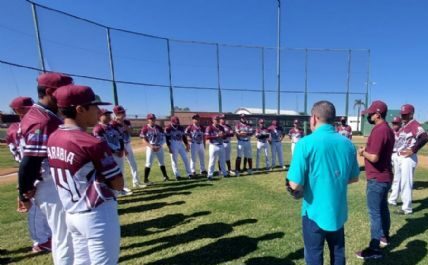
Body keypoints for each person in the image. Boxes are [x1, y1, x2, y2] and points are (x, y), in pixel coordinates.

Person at [47, 84, 123, 265]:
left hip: (71, 213)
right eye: (94, 106)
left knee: (81, 262)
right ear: (80, 109)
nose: (98, 110)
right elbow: (118, 183)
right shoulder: (91, 142)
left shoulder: (53, 137)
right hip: (96, 212)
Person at [287, 100, 360, 265]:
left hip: (314, 212)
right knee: (338, 252)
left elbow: (294, 185)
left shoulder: (305, 143)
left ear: (314, 118)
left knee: (313, 254)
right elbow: (354, 177)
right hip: (338, 210)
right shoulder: (348, 144)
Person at [18, 72, 74, 264]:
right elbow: (29, 161)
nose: (69, 95)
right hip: (49, 184)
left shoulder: (46, 115)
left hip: (53, 181)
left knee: (66, 234)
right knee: (64, 236)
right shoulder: (43, 119)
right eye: (65, 91)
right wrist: (24, 193)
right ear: (50, 91)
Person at [7, 96, 52, 253]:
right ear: (17, 110)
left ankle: (47, 236)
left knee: (44, 207)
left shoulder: (28, 124)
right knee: (34, 209)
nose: (31, 110)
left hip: (36, 168)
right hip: (29, 169)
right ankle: (39, 242)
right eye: (26, 108)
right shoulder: (18, 127)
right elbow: (24, 156)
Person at [356, 100, 395, 260]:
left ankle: (374, 248)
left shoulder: (380, 130)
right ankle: (384, 237)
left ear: (377, 114)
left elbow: (374, 156)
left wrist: (362, 152)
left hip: (377, 178)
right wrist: (367, 151)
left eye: (370, 114)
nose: (369, 116)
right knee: (383, 209)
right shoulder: (387, 129)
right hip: (385, 177)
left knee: (375, 213)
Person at [388, 104, 428, 214]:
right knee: (397, 180)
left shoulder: (414, 124)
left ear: (411, 114)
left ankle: (406, 208)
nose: (403, 116)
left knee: (406, 182)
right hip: (400, 157)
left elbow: (424, 137)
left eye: (405, 115)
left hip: (408, 158)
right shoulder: (404, 126)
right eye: (402, 115)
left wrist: (413, 150)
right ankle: (393, 200)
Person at [93, 109, 132, 195]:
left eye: (109, 114)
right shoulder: (98, 128)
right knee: (112, 174)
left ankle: (121, 189)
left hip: (119, 152)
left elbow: (120, 138)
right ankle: (113, 191)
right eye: (105, 115)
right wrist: (114, 151)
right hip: (109, 154)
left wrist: (121, 149)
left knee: (121, 171)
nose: (108, 116)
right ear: (100, 116)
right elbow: (102, 144)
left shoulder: (112, 127)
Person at [112, 105, 143, 188]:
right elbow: (115, 138)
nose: (124, 114)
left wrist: (122, 124)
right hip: (119, 146)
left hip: (128, 143)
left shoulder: (127, 122)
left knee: (133, 164)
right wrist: (123, 148)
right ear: (116, 114)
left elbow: (131, 131)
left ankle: (136, 182)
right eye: (122, 112)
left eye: (124, 112)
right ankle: (123, 187)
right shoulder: (113, 124)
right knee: (121, 167)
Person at [140, 113, 170, 183]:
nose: (152, 120)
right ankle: (146, 179)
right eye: (150, 119)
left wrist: (159, 146)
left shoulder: (159, 128)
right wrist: (151, 146)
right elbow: (143, 139)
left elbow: (163, 138)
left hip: (159, 147)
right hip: (150, 147)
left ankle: (165, 176)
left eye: (153, 118)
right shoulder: (145, 128)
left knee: (161, 162)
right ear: (148, 120)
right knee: (148, 163)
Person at [205, 115, 228, 180]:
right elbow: (206, 137)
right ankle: (209, 175)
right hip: (213, 145)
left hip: (221, 145)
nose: (217, 121)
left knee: (222, 161)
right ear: (213, 120)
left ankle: (225, 174)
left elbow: (224, 136)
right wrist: (216, 136)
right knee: (212, 161)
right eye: (216, 119)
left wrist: (223, 135)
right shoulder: (209, 127)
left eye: (218, 119)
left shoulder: (221, 127)